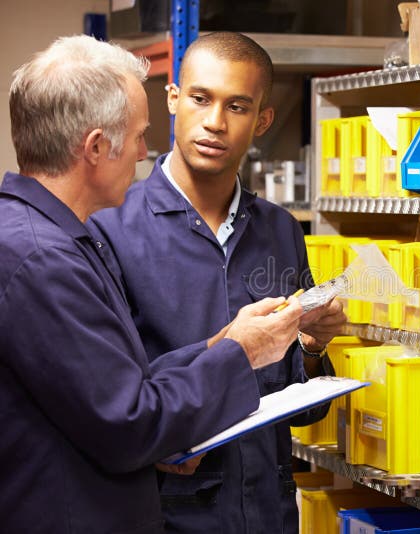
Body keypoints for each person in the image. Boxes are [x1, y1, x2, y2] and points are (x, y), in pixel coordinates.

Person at [0, 35, 309, 533]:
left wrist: (224, 343)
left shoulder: (55, 241)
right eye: (139, 135)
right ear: (97, 147)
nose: (145, 152)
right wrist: (240, 353)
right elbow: (130, 420)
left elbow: (124, 382)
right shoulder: (43, 259)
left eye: (237, 106)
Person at [89, 32, 346, 533]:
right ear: (173, 99)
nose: (214, 122)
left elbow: (300, 413)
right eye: (201, 99)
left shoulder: (279, 230)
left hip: (268, 514)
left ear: (262, 120)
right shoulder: (110, 229)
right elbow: (110, 401)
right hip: (167, 518)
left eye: (238, 106)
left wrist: (313, 348)